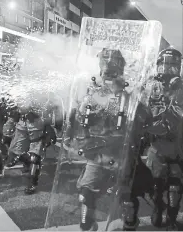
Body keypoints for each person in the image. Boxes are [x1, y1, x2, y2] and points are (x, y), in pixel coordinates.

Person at [63, 48, 153, 231]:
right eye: (106, 66)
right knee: (86, 195)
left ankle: (129, 224)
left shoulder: (128, 98)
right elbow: (80, 119)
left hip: (122, 155)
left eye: (113, 66)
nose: (109, 72)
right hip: (98, 155)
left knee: (126, 198)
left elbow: (145, 120)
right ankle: (88, 225)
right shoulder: (94, 96)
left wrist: (134, 98)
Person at [143, 47, 183, 230]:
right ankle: (158, 209)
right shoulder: (150, 87)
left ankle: (172, 218)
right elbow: (139, 109)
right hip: (156, 146)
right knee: (156, 187)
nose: (168, 70)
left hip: (177, 146)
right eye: (165, 65)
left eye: (173, 66)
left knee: (175, 187)